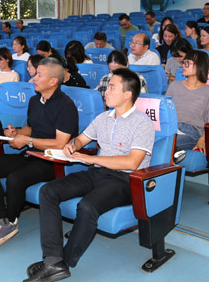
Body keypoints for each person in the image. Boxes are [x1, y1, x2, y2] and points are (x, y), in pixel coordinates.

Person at [23, 68, 154, 282]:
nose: (106, 91)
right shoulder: (103, 118)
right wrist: (72, 146)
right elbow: (81, 139)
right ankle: (53, 259)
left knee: (87, 206)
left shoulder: (142, 123)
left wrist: (91, 159)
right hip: (97, 172)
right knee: (48, 191)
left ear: (128, 94)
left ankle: (63, 262)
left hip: (125, 180)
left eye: (112, 88)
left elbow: (132, 162)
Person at [0, 57, 78, 250]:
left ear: (53, 81)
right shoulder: (35, 100)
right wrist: (16, 132)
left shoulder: (66, 106)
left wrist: (27, 141)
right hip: (31, 154)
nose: (34, 78)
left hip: (52, 161)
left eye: (39, 75)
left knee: (15, 178)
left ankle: (11, 221)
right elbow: (31, 128)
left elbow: (60, 143)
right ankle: (2, 220)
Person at [166, 50, 209, 153]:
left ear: (200, 65)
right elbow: (165, 112)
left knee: (167, 143)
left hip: (192, 132)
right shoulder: (174, 86)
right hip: (171, 128)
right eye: (184, 62)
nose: (183, 66)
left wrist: (203, 138)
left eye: (188, 63)